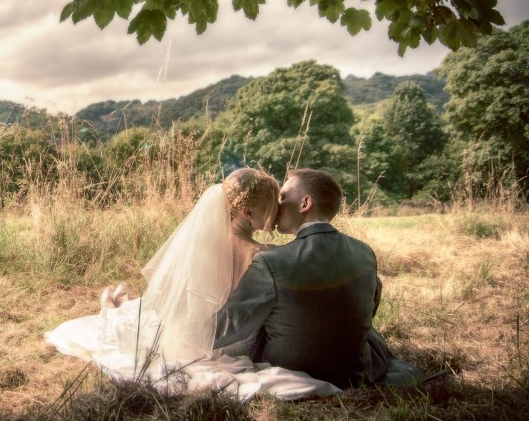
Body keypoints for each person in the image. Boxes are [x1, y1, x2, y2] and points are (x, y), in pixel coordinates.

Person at [45, 168, 341, 400]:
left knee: (140, 318)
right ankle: (115, 306)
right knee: (136, 320)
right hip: (226, 339)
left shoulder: (201, 242)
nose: (276, 212)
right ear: (248, 212)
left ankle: (115, 305)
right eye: (270, 206)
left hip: (194, 330)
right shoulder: (263, 256)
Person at [213, 168, 421, 388]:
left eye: (283, 197)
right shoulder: (365, 251)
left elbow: (229, 326)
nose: (277, 204)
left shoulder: (271, 261)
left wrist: (188, 334)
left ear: (305, 204)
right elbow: (369, 308)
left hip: (289, 372)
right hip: (355, 371)